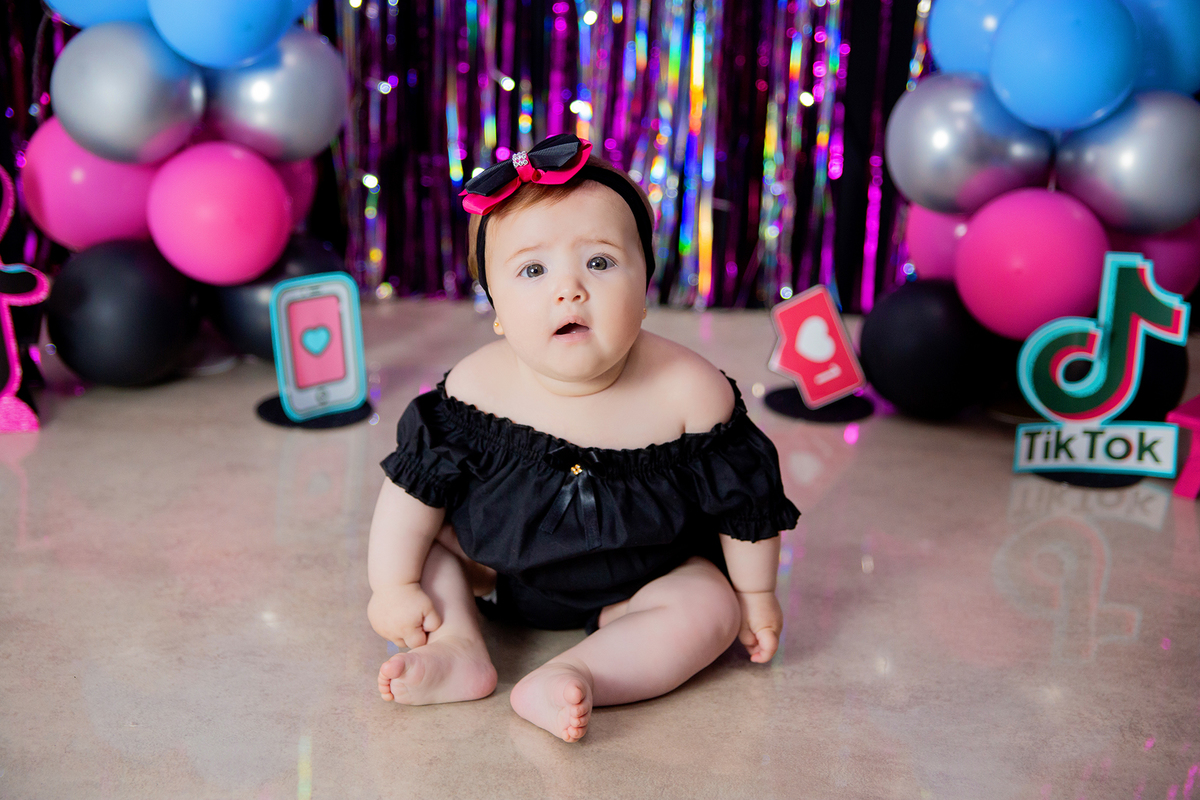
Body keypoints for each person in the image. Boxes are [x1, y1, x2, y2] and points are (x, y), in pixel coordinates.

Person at [368, 134, 799, 743]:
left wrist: (756, 596)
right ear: (494, 308)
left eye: (598, 262)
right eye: (532, 270)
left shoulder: (691, 394)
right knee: (431, 545)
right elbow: (409, 495)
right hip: (496, 572)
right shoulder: (474, 390)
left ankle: (581, 672)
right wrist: (393, 585)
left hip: (645, 581)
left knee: (711, 606)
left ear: (646, 282)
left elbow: (744, 509)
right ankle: (461, 647)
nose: (567, 290)